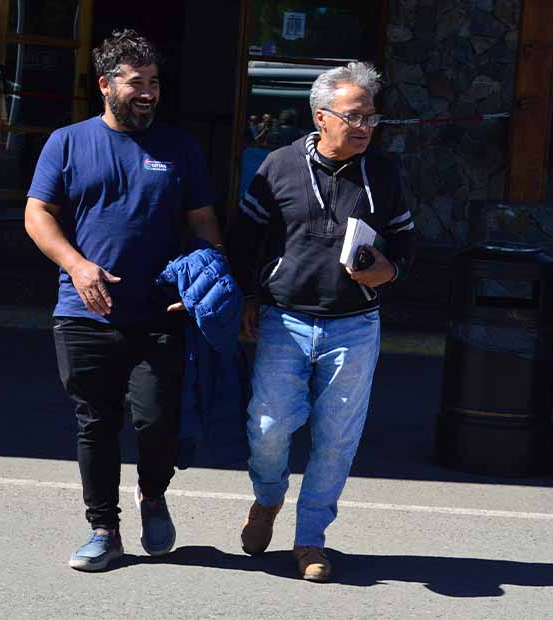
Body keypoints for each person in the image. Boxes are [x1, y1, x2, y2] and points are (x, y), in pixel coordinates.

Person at [24, 29, 223, 573]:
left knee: (156, 420)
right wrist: (76, 264)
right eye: (137, 82)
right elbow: (37, 214)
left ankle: (152, 494)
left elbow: (203, 221)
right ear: (105, 84)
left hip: (158, 311)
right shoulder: (67, 142)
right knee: (96, 422)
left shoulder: (179, 148)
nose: (149, 93)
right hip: (83, 311)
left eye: (154, 82)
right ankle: (103, 530)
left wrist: (208, 278)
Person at [227, 61, 416, 582]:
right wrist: (247, 295)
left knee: (335, 441)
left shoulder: (383, 173)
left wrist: (389, 270)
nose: (364, 127)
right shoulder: (278, 165)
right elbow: (243, 238)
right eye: (354, 116)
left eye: (370, 118)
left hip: (355, 325)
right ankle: (268, 498)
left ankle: (310, 539)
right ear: (321, 116)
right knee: (267, 428)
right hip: (284, 319)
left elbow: (406, 242)